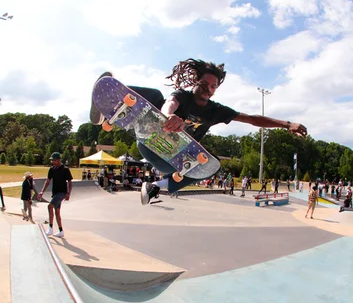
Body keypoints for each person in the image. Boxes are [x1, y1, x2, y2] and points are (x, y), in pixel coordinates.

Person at [91, 60, 307, 205]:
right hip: (148, 143)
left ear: (216, 89)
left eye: (212, 86)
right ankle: (109, 108)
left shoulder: (216, 111)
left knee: (209, 166)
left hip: (171, 160)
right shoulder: (182, 96)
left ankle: (155, 186)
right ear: (196, 82)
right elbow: (170, 102)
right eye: (204, 83)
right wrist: (168, 117)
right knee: (156, 95)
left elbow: (251, 119)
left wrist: (286, 124)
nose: (207, 88)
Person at [37, 152, 73, 238]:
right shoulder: (52, 169)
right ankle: (61, 231)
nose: (52, 162)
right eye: (52, 160)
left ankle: (50, 228)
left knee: (49, 206)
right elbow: (48, 181)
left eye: (54, 160)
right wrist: (42, 191)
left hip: (62, 193)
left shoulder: (65, 169)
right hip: (55, 193)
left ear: (58, 160)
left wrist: (68, 193)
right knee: (57, 212)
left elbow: (70, 182)